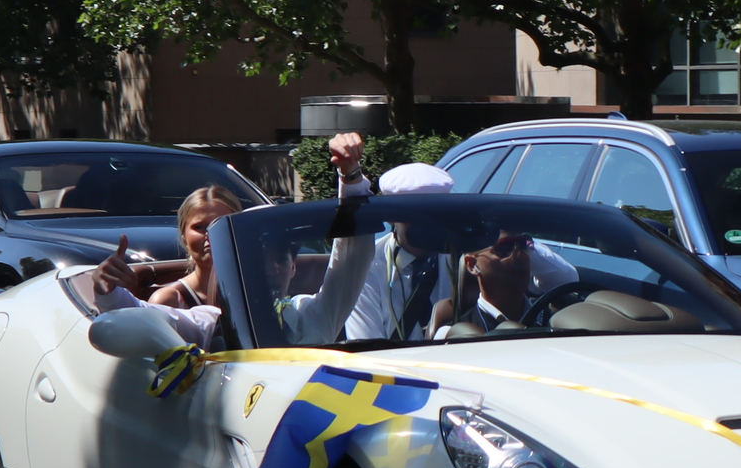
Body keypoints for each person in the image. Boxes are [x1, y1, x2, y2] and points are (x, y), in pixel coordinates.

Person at [91, 132, 374, 347]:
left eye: (280, 257)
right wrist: (108, 290)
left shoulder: (309, 315)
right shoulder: (211, 321)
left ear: (294, 267)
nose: (270, 268)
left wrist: (350, 178)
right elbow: (149, 316)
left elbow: (351, 261)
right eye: (258, 257)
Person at [344, 161, 574, 342]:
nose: (429, 224)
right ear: (390, 216)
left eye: (437, 214)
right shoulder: (366, 267)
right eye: (417, 215)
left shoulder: (466, 247)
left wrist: (508, 238)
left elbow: (565, 279)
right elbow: (365, 344)